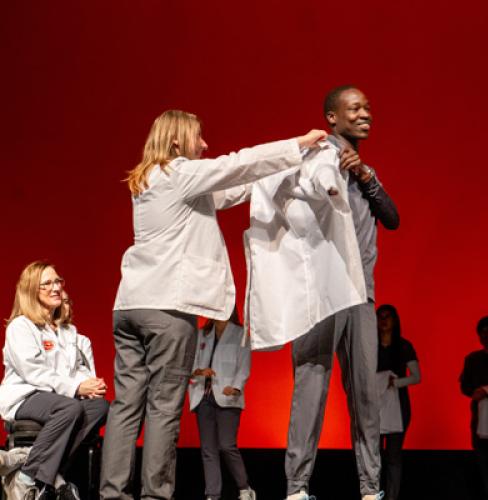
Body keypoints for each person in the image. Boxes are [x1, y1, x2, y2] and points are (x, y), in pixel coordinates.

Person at [99, 108, 327, 500]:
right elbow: (236, 164)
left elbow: (230, 188)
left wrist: (279, 172)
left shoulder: (150, 180)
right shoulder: (180, 172)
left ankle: (112, 494)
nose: (204, 145)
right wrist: (297, 145)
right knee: (164, 406)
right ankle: (155, 495)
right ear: (176, 142)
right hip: (166, 307)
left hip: (130, 304)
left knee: (125, 407)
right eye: (198, 138)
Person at [284, 86, 400, 500]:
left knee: (366, 395)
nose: (366, 113)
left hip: (361, 295)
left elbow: (392, 218)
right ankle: (296, 488)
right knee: (310, 389)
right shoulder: (315, 157)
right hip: (320, 294)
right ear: (332, 117)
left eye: (368, 107)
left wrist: (365, 176)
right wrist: (331, 167)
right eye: (356, 108)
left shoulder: (365, 170)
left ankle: (371, 489)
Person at [0, 261, 109, 500]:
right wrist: (76, 387)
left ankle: (33, 462)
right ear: (31, 291)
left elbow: (75, 369)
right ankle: (26, 478)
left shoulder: (67, 332)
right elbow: (34, 372)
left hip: (58, 398)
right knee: (69, 407)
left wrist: (89, 385)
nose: (56, 287)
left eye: (58, 281)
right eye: (46, 283)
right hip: (25, 397)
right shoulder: (21, 326)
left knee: (100, 406)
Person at [189, 309, 254, 500]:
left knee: (227, 445)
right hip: (203, 396)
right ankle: (212, 494)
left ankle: (244, 489)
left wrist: (236, 387)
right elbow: (191, 365)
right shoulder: (202, 333)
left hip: (228, 397)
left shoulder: (240, 334)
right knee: (208, 449)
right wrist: (199, 372)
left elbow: (244, 366)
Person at [376, 304, 421, 500]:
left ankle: (392, 497)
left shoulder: (404, 346)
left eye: (388, 316)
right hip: (375, 406)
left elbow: (416, 377)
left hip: (398, 407)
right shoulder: (370, 345)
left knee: (393, 456)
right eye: (381, 316)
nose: (384, 320)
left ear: (395, 320)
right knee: (373, 456)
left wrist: (396, 382)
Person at [460, 316, 488, 500]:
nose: (487, 335)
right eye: (483, 332)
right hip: (479, 419)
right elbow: (465, 386)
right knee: (484, 466)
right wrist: (476, 392)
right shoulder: (472, 359)